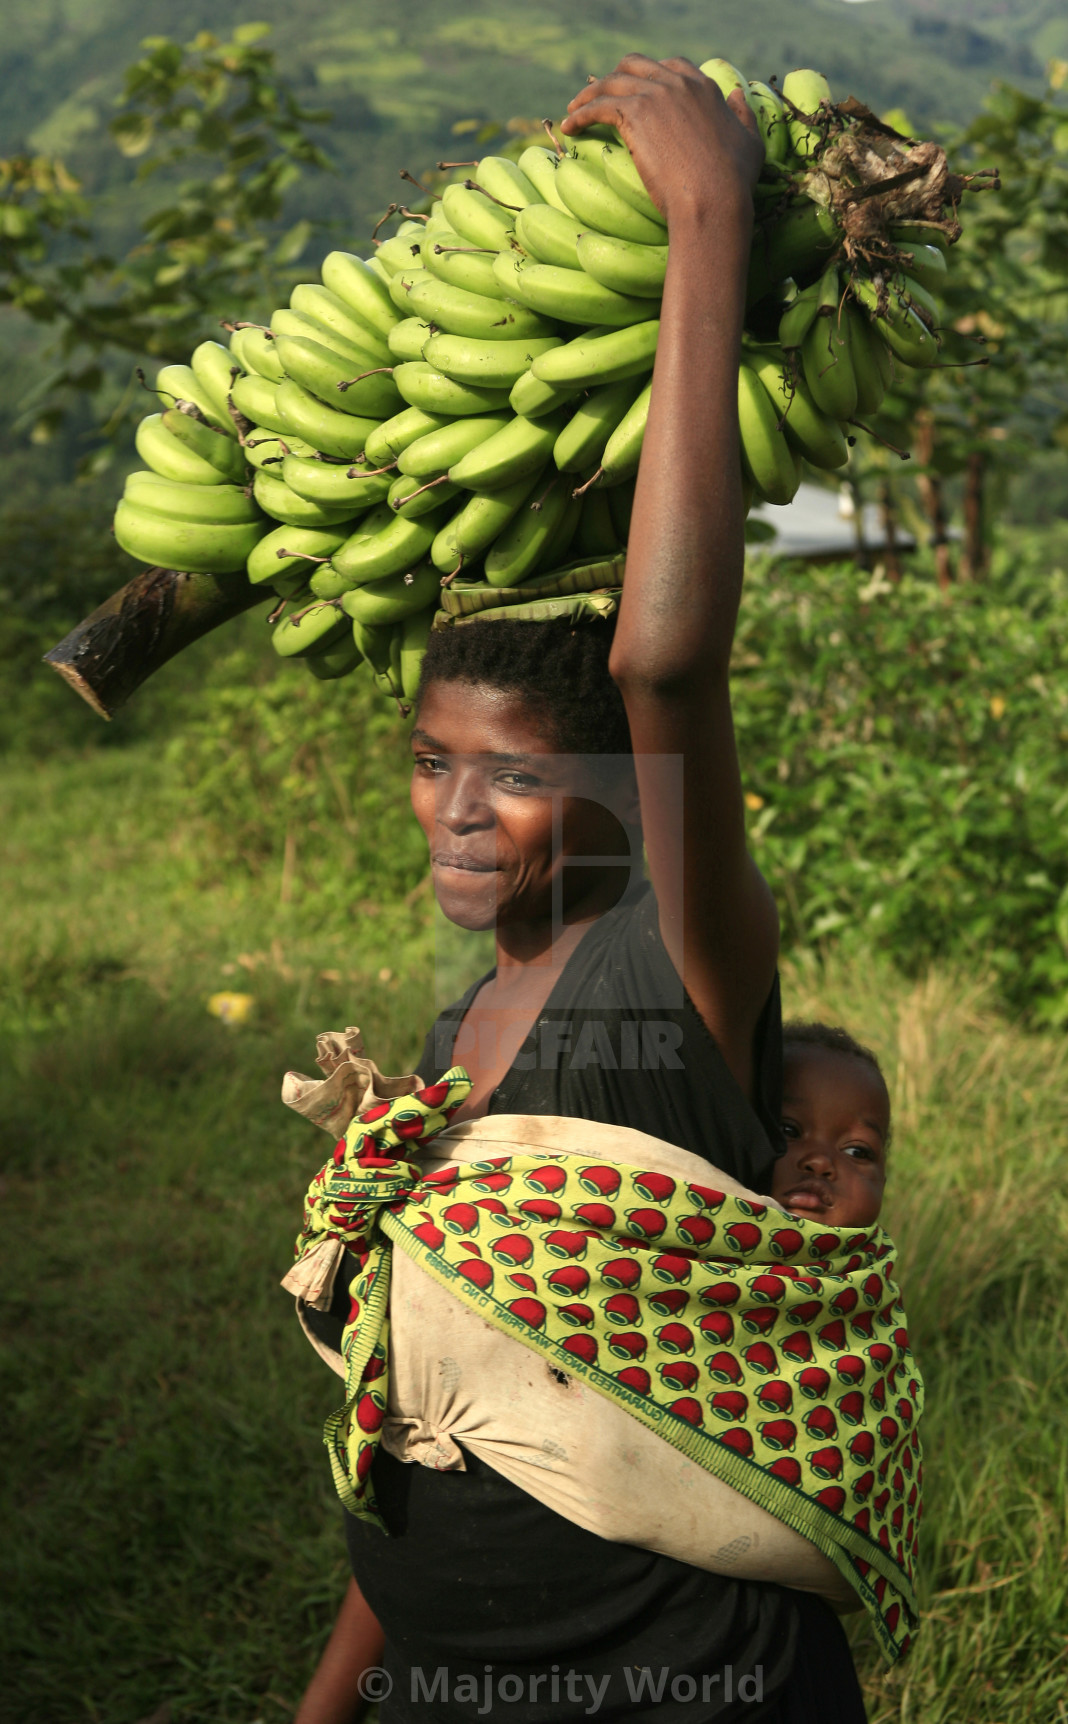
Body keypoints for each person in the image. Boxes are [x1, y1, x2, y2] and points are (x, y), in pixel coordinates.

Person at [294, 54, 869, 1724]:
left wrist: (707, 217)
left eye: (524, 776)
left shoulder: (677, 969)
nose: (459, 814)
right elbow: (436, 1413)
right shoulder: (459, 1024)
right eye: (432, 758)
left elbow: (668, 656)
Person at [771, 1023, 890, 1228]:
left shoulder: (876, 1259)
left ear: (883, 1184)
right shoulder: (699, 1240)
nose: (820, 1162)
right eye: (789, 1131)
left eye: (856, 1151)